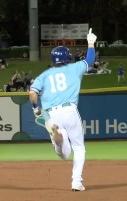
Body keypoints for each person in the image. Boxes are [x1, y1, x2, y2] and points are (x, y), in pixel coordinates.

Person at [29, 28, 97, 191]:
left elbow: (32, 93)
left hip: (51, 115)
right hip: (70, 111)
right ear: (68, 57)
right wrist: (90, 42)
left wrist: (35, 109)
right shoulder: (75, 68)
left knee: (63, 154)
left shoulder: (44, 75)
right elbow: (90, 59)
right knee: (79, 148)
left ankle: (58, 137)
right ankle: (76, 182)